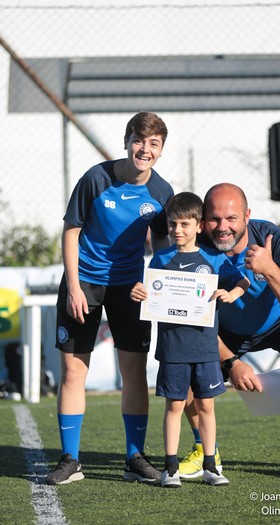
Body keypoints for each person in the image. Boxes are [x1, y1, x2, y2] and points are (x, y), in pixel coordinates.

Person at [46, 112, 174, 485]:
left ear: (161, 150)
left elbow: (163, 246)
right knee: (73, 371)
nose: (144, 150)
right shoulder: (95, 178)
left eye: (153, 144)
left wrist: (155, 284)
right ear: (126, 141)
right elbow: (71, 232)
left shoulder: (162, 193)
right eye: (138, 140)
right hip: (83, 281)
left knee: (133, 371)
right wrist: (73, 286)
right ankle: (71, 459)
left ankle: (134, 457)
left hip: (129, 289)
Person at [179, 183, 280, 481]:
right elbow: (190, 319)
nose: (222, 227)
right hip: (225, 328)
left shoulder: (274, 238)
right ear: (203, 219)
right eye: (214, 219)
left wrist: (269, 268)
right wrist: (231, 362)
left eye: (231, 218)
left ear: (247, 215)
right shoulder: (194, 249)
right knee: (183, 373)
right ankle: (206, 451)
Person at [130, 192, 249, 487]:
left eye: (184, 224)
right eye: (172, 224)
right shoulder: (160, 258)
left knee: (207, 406)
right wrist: (138, 292)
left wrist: (231, 293)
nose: (177, 230)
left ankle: (211, 466)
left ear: (198, 226)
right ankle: (170, 468)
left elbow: (243, 279)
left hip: (206, 348)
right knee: (175, 406)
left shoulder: (213, 258)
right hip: (172, 349)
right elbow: (149, 293)